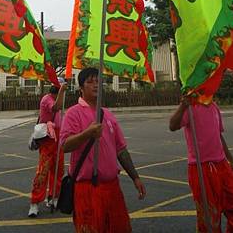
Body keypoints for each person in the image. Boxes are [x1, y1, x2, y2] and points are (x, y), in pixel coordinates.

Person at [60, 67, 146, 233]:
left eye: (98, 82)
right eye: (90, 82)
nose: (95, 85)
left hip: (112, 187)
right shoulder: (73, 113)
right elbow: (65, 145)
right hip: (87, 188)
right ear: (81, 88)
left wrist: (135, 177)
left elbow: (121, 150)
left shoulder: (107, 114)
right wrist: (87, 133)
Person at [170, 96, 233, 233]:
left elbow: (218, 136)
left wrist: (231, 160)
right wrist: (182, 107)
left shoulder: (214, 107)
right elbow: (173, 126)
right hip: (201, 169)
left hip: (222, 166)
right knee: (210, 220)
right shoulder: (190, 107)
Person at [28, 78, 67, 217]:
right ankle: (34, 202)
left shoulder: (60, 99)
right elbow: (55, 107)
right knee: (43, 171)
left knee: (58, 170)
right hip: (47, 139)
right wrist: (62, 91)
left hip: (59, 138)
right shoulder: (47, 99)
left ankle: (53, 197)